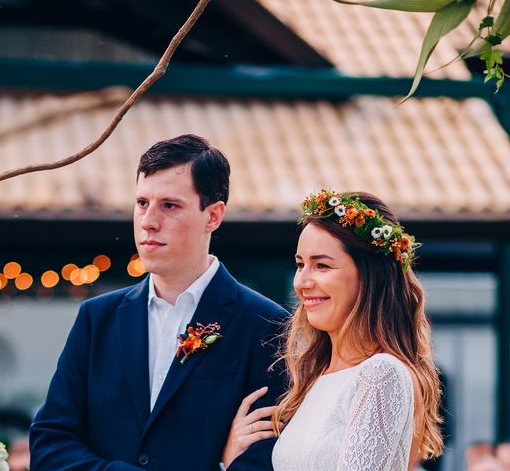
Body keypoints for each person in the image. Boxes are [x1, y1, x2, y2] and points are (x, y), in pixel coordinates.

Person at [29, 134, 288, 470]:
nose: (148, 221)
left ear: (213, 216)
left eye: (169, 205)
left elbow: (266, 458)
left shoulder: (266, 325)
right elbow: (50, 445)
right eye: (141, 203)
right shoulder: (97, 318)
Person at [222, 190, 444, 470]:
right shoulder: (317, 376)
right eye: (300, 265)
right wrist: (233, 460)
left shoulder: (381, 373)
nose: (302, 282)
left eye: (322, 266)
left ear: (368, 275)